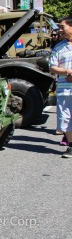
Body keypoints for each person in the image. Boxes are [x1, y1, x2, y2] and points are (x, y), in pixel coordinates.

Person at [49, 16, 72, 158]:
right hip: (64, 89)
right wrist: (67, 72)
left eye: (63, 27)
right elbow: (52, 67)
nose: (60, 30)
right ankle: (71, 146)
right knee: (66, 118)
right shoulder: (58, 47)